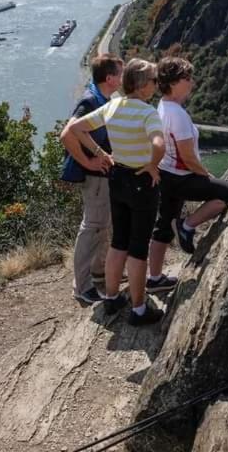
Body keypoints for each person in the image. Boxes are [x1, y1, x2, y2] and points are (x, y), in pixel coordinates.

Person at [60, 59, 166, 326]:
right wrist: (153, 165)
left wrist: (101, 153)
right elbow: (159, 143)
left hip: (117, 178)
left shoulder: (113, 105)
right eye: (154, 80)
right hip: (142, 182)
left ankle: (111, 298)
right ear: (142, 85)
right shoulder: (148, 112)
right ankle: (139, 310)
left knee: (119, 241)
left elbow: (75, 128)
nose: (156, 85)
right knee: (138, 248)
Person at [148, 57, 228, 275]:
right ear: (173, 83)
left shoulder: (162, 105)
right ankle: (187, 226)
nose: (192, 83)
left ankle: (154, 278)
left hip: (166, 174)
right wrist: (206, 175)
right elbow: (188, 158)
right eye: (187, 78)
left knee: (162, 229)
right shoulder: (177, 115)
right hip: (181, 177)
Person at [62, 54, 124, 305]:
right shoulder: (90, 102)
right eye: (119, 74)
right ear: (109, 78)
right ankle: (83, 287)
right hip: (94, 178)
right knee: (92, 228)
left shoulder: (102, 98)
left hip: (103, 177)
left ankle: (99, 272)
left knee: (102, 225)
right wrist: (89, 162)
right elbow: (67, 134)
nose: (122, 78)